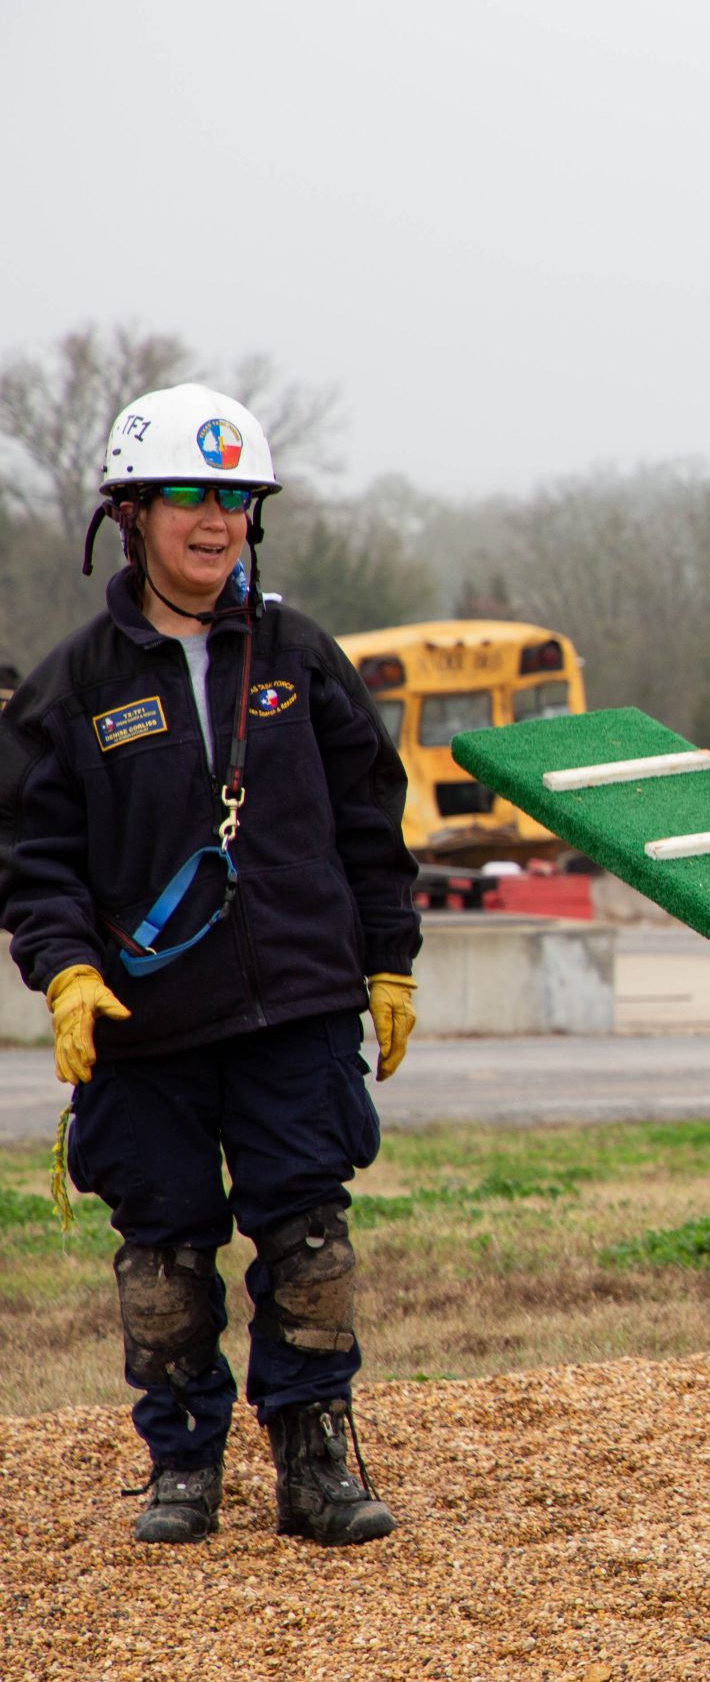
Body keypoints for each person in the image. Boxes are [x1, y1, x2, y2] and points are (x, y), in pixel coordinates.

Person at [0, 383, 421, 1546]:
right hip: (145, 1030)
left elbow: (371, 823)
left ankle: (315, 1457)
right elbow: (33, 858)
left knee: (309, 1239)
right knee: (164, 1258)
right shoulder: (74, 685)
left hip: (297, 1011)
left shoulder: (300, 655)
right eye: (188, 496)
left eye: (234, 500)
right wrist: (67, 972)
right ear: (130, 514)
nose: (214, 521)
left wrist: (389, 962)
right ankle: (181, 1464)